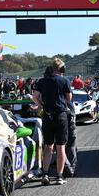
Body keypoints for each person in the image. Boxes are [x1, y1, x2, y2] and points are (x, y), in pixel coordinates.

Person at [33, 58, 72, 186]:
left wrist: (41, 104)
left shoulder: (42, 81)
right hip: (60, 116)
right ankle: (59, 176)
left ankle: (45, 173)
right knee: (60, 147)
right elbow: (68, 99)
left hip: (47, 115)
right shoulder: (64, 80)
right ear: (61, 69)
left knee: (48, 146)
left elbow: (35, 97)